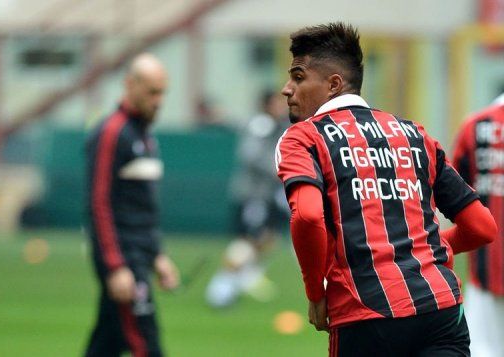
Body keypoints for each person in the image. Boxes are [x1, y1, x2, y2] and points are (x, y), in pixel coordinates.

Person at [275, 22, 497, 356]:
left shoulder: (304, 137)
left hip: (366, 312)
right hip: (440, 308)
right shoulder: (415, 135)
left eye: (298, 76)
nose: (286, 88)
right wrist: (423, 251)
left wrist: (316, 293)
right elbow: (482, 227)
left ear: (333, 84)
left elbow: (307, 217)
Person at [84, 53, 180, 357]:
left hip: (139, 254)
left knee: (106, 343)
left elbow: (142, 208)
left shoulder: (145, 135)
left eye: (162, 92)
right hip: (123, 259)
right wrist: (115, 266)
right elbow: (99, 203)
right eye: (152, 92)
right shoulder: (113, 132)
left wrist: (157, 255)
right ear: (130, 84)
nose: (158, 100)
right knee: (145, 343)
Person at [206, 90, 289, 308]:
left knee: (267, 239)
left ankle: (244, 277)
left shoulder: (275, 126)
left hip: (265, 195)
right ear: (266, 104)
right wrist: (276, 169)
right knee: (248, 240)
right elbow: (250, 155)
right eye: (277, 103)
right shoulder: (260, 125)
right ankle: (220, 289)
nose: (282, 107)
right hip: (253, 195)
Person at [452, 92, 504, 357]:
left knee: (482, 350)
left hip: (486, 265)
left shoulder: (475, 126)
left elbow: (451, 191)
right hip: (484, 269)